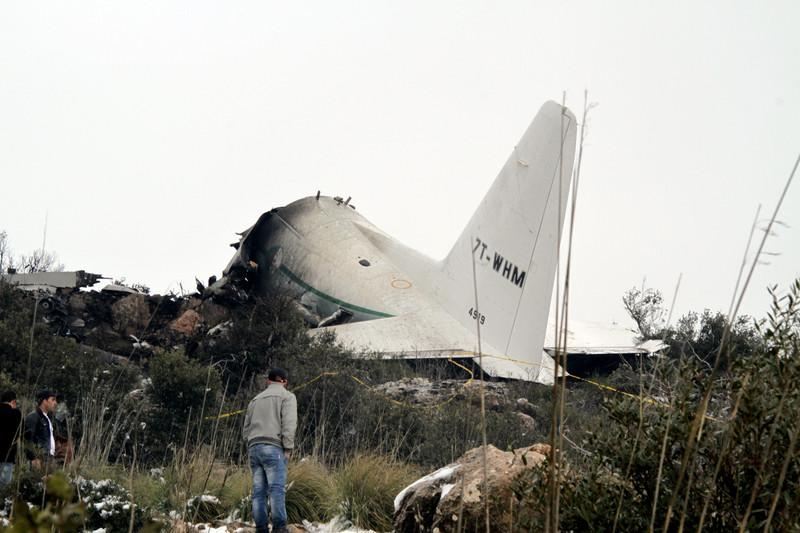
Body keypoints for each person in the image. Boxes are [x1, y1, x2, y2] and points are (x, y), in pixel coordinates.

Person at [243, 368, 297, 533]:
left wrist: (251, 443)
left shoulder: (255, 400)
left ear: (268, 381)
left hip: (254, 447)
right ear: (285, 381)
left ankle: (261, 527)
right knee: (276, 488)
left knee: (258, 491)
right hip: (273, 447)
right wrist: (288, 447)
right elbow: (289, 424)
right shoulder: (287, 396)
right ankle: (279, 527)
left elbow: (246, 429)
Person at [24, 390, 58, 471]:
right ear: (44, 401)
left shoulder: (47, 418)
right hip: (39, 459)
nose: (55, 403)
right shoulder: (33, 417)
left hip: (48, 458)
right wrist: (33, 458)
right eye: (52, 400)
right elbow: (28, 439)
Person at [0, 390, 22, 486]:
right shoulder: (15, 414)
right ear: (13, 401)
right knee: (4, 487)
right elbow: (26, 433)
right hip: (7, 456)